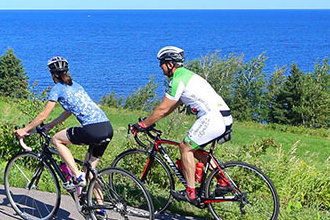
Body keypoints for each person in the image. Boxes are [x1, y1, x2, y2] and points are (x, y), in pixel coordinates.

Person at [130, 46, 233, 204]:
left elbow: (163, 109)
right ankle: (223, 181)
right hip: (222, 116)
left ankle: (190, 192)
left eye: (162, 63)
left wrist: (142, 125)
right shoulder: (187, 76)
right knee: (194, 149)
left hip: (213, 118)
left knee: (185, 147)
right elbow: (171, 106)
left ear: (170, 64)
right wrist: (150, 121)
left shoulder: (178, 80)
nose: (160, 66)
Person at [14, 56, 114, 191]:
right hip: (107, 127)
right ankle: (97, 203)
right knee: (89, 172)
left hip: (92, 129)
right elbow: (68, 112)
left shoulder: (57, 89)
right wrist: (50, 125)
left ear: (52, 74)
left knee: (56, 140)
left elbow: (43, 115)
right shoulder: (76, 86)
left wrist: (24, 129)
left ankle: (77, 176)